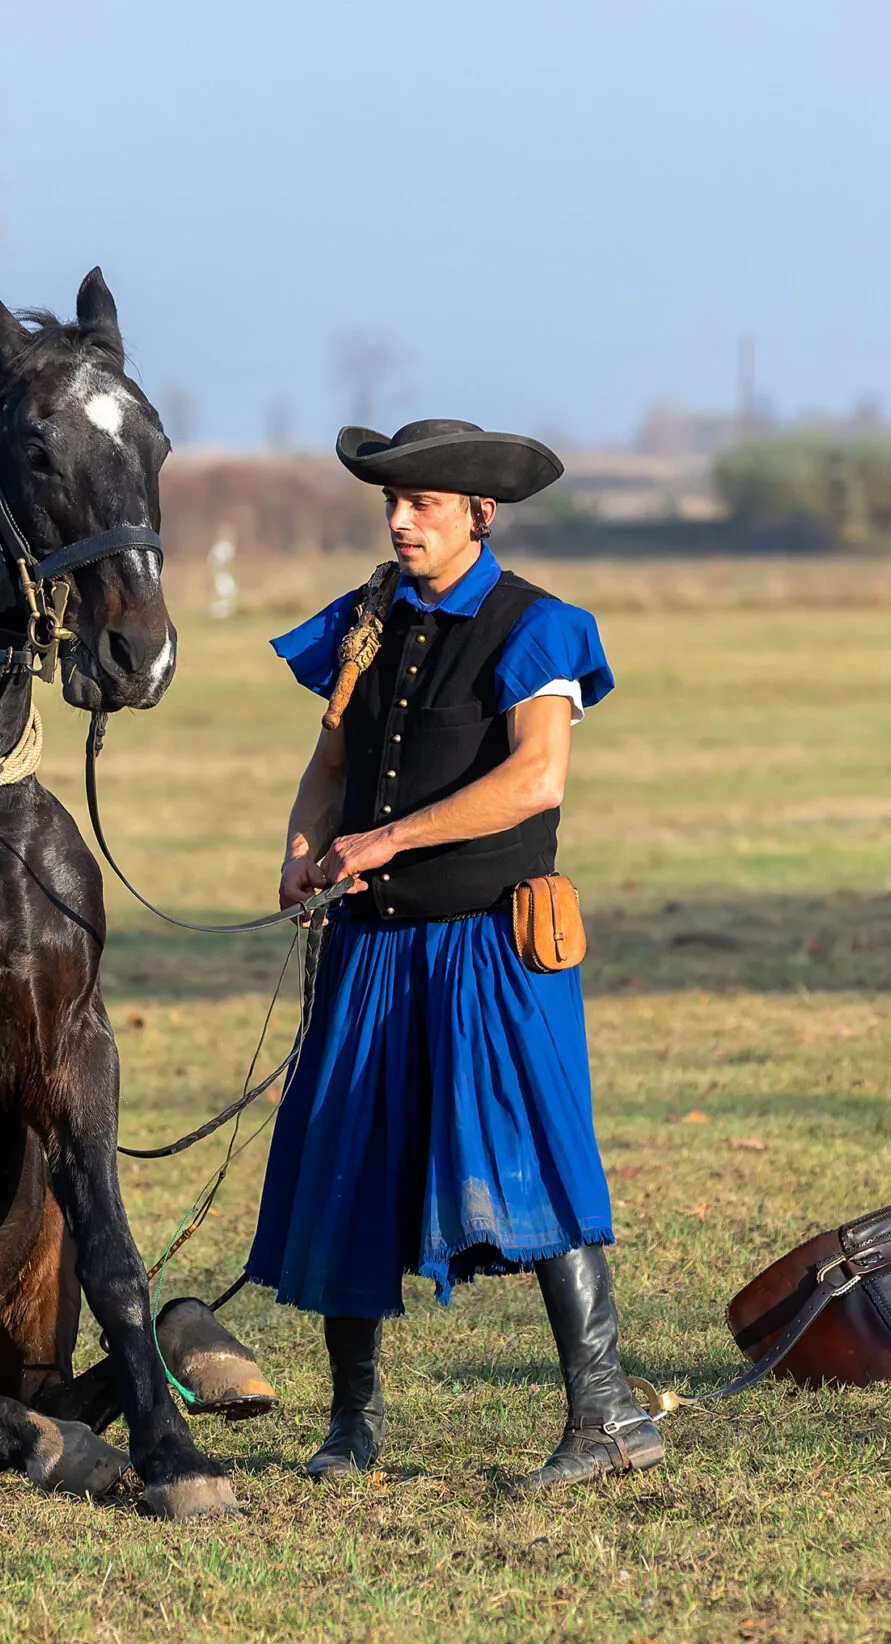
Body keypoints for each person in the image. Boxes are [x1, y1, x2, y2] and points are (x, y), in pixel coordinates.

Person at [243, 418, 663, 1493]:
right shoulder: (363, 620)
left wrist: (384, 838)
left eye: (422, 504)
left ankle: (608, 1413)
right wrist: (304, 846)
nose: (398, 522)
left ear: (480, 513)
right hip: (369, 948)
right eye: (391, 503)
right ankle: (351, 1426)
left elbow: (536, 781)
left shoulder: (539, 627)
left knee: (534, 1159)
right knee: (347, 1155)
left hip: (491, 948)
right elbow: (330, 760)